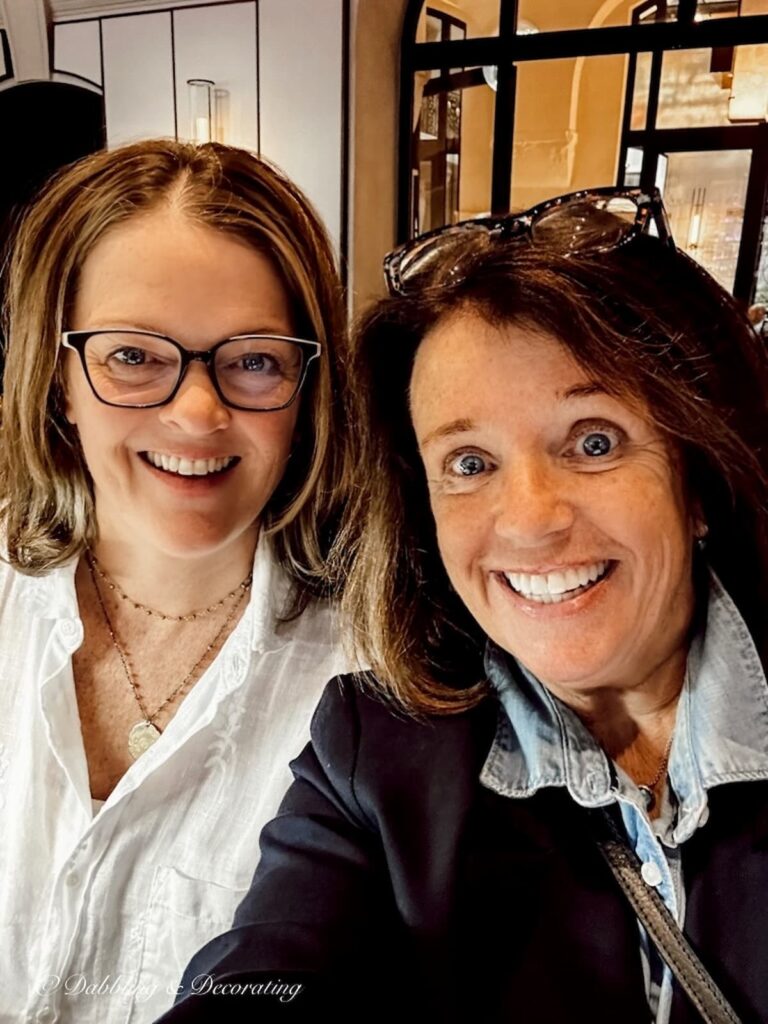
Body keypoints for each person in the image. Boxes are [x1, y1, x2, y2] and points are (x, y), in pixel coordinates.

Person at [159, 188, 768, 1023]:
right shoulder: (375, 754)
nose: (528, 519)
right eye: (470, 463)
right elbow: (264, 979)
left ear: (699, 480)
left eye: (593, 441)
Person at [0, 139, 357, 1023]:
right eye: (132, 356)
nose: (197, 411)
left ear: (308, 389)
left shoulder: (373, 676)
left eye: (256, 360)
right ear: (59, 379)